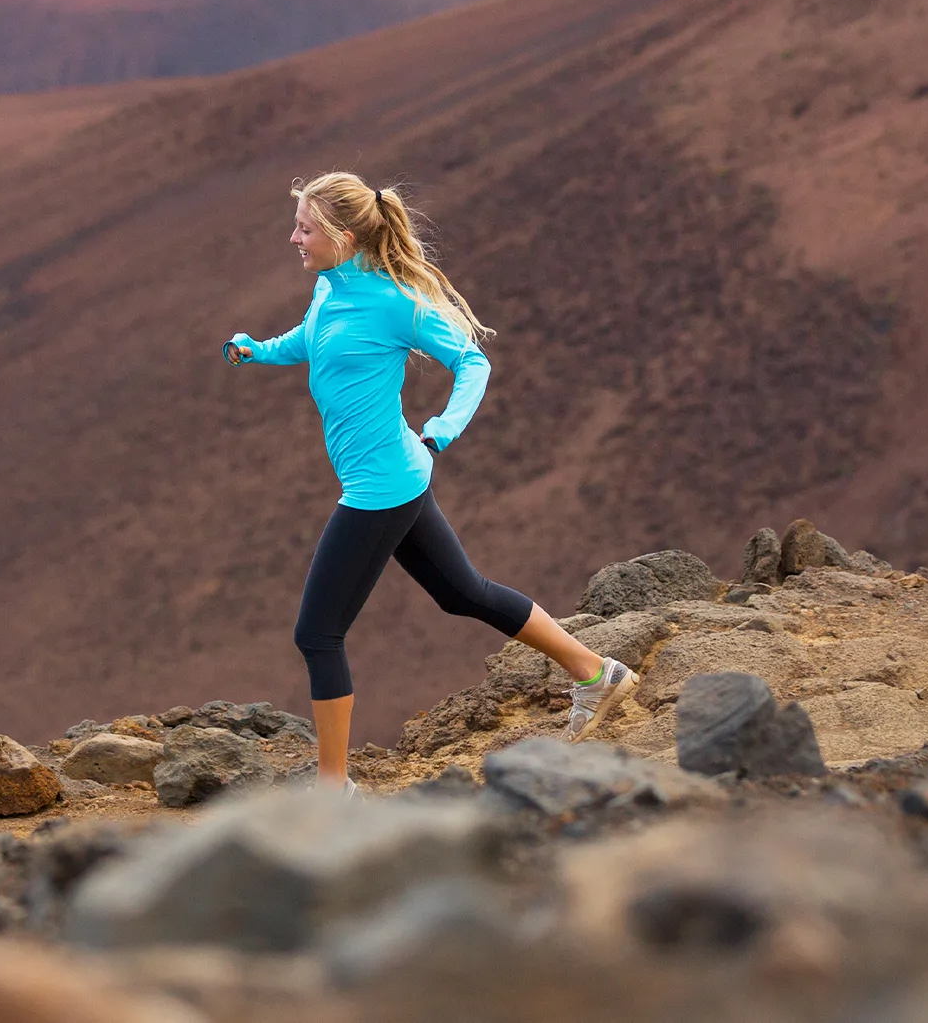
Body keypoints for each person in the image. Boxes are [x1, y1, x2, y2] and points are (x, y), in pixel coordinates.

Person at [224, 172, 638, 791]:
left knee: (317, 634)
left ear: (341, 234)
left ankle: (333, 789)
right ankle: (597, 673)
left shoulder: (394, 302)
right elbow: (312, 340)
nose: (294, 238)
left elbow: (473, 361)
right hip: (397, 480)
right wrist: (259, 349)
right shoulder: (328, 290)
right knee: (463, 592)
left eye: (304, 229)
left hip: (380, 488)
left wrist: (442, 428)